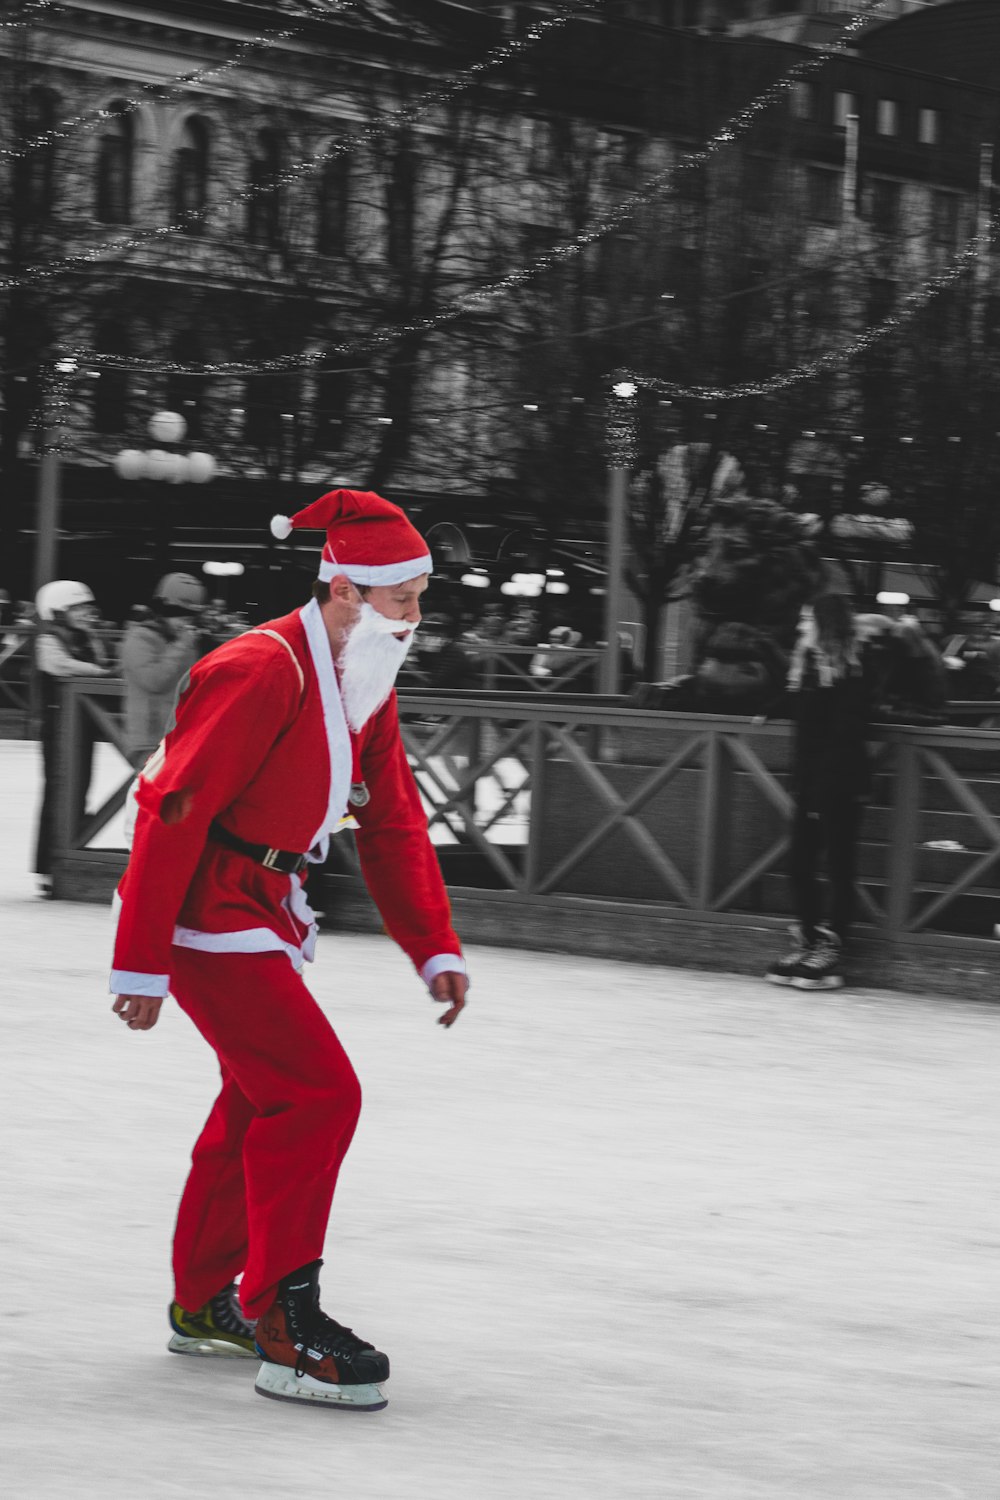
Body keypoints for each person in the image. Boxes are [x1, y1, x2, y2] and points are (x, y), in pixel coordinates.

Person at [109, 489, 469, 1413]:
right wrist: (142, 960)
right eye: (404, 599)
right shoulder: (261, 668)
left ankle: (201, 1304)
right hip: (204, 907)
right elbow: (173, 806)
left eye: (423, 597)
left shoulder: (362, 677)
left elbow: (391, 820)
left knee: (256, 1100)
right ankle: (282, 1319)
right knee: (316, 1092)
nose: (416, 618)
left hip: (266, 903)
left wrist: (432, 945)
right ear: (345, 588)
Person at [762, 593, 876, 991]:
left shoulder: (853, 669)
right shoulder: (809, 665)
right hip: (810, 782)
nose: (799, 626)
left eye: (806, 620)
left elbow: (845, 732)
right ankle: (809, 939)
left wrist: (819, 792)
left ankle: (832, 949)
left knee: (839, 866)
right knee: (800, 865)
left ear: (824, 624)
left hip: (840, 784)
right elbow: (800, 708)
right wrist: (768, 709)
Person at [33, 580, 112, 896]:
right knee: (59, 791)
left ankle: (69, 854)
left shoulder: (86, 638)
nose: (86, 614)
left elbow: (102, 663)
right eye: (78, 609)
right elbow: (58, 665)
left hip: (82, 726)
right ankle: (47, 865)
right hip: (58, 728)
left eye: (87, 608)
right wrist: (97, 672)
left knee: (80, 788)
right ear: (57, 612)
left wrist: (101, 661)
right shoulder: (47, 640)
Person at [119, 573, 210, 765]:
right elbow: (154, 681)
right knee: (155, 793)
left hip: (179, 736)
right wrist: (182, 644)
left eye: (191, 619)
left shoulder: (185, 641)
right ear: (165, 612)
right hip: (148, 740)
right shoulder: (140, 638)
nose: (186, 624)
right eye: (181, 617)